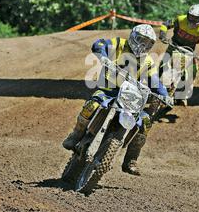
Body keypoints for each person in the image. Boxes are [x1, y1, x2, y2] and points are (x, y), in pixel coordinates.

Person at [62, 24, 169, 176]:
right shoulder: (119, 44)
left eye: (147, 43)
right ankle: (76, 135)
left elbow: (155, 81)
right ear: (133, 36)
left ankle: (130, 160)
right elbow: (99, 44)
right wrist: (103, 56)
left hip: (129, 98)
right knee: (92, 105)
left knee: (145, 122)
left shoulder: (148, 61)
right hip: (108, 90)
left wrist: (165, 95)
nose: (142, 45)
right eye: (140, 40)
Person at [159, 4, 199, 106]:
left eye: (196, 18)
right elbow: (165, 24)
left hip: (188, 51)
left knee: (193, 71)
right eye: (191, 17)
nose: (193, 20)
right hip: (174, 46)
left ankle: (182, 96)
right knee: (163, 66)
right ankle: (155, 87)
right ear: (188, 15)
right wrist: (163, 35)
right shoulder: (180, 20)